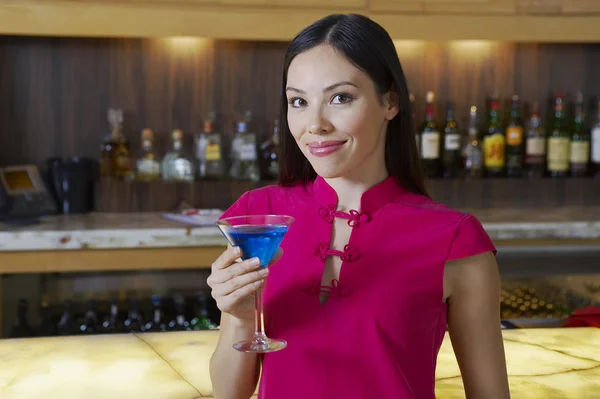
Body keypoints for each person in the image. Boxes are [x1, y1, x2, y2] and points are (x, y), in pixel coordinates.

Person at [207, 13, 510, 399]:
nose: (314, 124)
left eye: (340, 98)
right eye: (298, 101)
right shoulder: (257, 214)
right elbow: (229, 394)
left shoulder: (456, 239)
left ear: (390, 102)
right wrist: (240, 316)